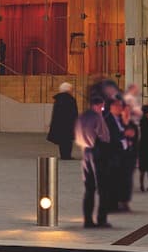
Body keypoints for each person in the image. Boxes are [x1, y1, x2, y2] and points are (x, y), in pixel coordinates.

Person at [73, 84, 115, 228]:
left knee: (89, 188)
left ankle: (88, 219)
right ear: (98, 105)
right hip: (98, 152)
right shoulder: (97, 117)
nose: (102, 109)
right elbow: (104, 136)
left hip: (85, 152)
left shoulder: (81, 117)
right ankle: (101, 219)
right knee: (103, 187)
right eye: (102, 107)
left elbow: (77, 135)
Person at [46, 80, 79, 160]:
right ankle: (67, 155)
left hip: (59, 123)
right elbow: (73, 113)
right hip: (68, 123)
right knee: (68, 141)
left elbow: (55, 113)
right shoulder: (71, 99)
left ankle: (63, 155)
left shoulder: (58, 99)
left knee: (62, 141)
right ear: (69, 90)